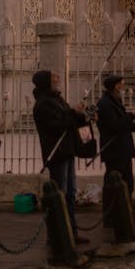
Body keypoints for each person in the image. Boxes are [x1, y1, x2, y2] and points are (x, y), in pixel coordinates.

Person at [32, 69, 89, 244]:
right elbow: (56, 126)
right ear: (45, 82)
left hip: (68, 150)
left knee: (70, 193)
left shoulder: (57, 99)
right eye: (53, 77)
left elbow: (69, 122)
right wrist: (72, 113)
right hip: (57, 153)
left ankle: (71, 230)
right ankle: (58, 234)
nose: (58, 79)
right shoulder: (43, 104)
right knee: (60, 194)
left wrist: (81, 115)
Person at [96, 73, 135, 224]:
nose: (123, 87)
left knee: (128, 184)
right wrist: (131, 115)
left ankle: (127, 214)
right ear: (116, 86)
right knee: (113, 185)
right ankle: (111, 217)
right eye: (121, 84)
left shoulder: (116, 101)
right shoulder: (105, 104)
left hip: (123, 149)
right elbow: (115, 126)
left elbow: (125, 124)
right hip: (114, 151)